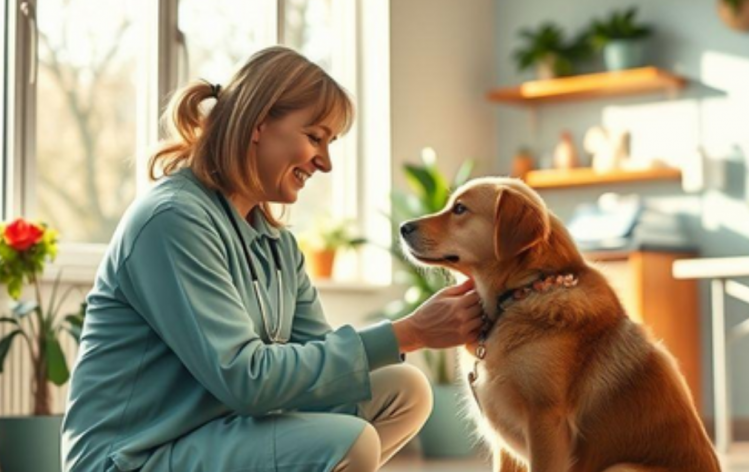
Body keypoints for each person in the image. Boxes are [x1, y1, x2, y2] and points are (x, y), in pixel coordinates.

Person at [61, 46, 484, 472]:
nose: (326, 162)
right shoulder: (173, 220)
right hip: (132, 457)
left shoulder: (275, 244)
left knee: (405, 389)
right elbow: (245, 379)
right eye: (315, 137)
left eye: (330, 143)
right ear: (259, 123)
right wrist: (406, 333)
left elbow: (320, 364)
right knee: (347, 443)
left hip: (213, 433)